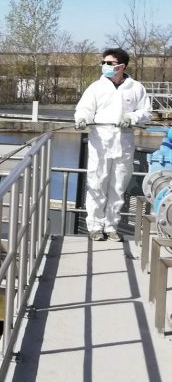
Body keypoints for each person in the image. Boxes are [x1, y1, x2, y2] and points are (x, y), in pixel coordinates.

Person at [74, 48, 151, 242]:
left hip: (123, 143)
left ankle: (111, 225)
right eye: (104, 62)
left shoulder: (135, 88)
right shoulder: (96, 87)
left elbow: (146, 112)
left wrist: (131, 117)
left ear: (121, 66)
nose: (104, 66)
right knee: (97, 183)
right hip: (100, 141)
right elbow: (84, 108)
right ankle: (94, 226)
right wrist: (82, 119)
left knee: (118, 187)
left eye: (109, 63)